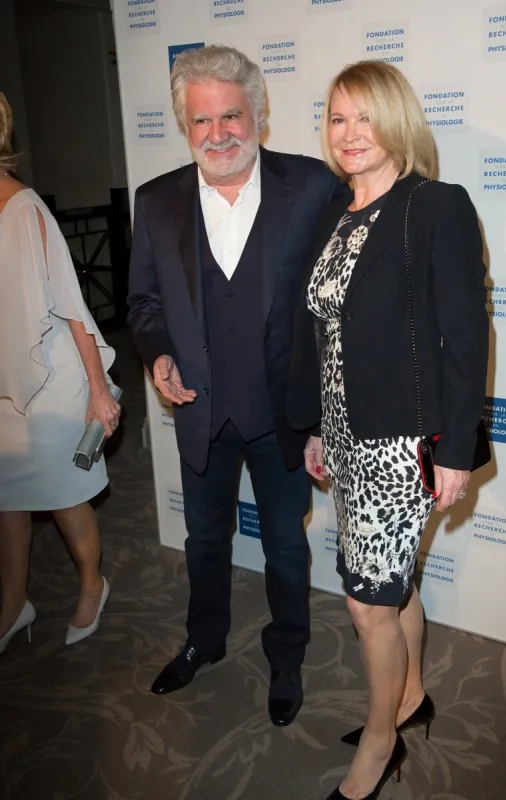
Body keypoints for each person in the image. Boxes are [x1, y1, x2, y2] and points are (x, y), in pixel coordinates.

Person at [128, 44, 349, 725]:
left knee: (286, 543)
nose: (218, 133)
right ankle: (205, 639)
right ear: (183, 124)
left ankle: (286, 656)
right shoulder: (156, 200)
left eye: (231, 116)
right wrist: (157, 355)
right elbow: (143, 304)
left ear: (258, 114)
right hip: (200, 412)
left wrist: (325, 415)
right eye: (201, 121)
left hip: (282, 414)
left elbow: (336, 302)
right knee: (203, 539)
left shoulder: (312, 187)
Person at [287, 61, 488, 799]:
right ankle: (407, 699)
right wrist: (314, 428)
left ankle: (380, 741)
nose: (349, 134)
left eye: (364, 117)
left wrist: (456, 450)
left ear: (397, 121)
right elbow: (324, 334)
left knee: (367, 601)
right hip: (345, 434)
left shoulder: (432, 206)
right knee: (390, 586)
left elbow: (465, 338)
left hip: (401, 442)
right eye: (337, 118)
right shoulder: (336, 213)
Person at [0, 93, 120, 653]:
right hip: (3, 380)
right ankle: (14, 600)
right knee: (7, 495)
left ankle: (92, 583)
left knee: (63, 493)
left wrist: (98, 391)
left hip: (50, 380)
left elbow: (74, 307)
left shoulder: (26, 210)